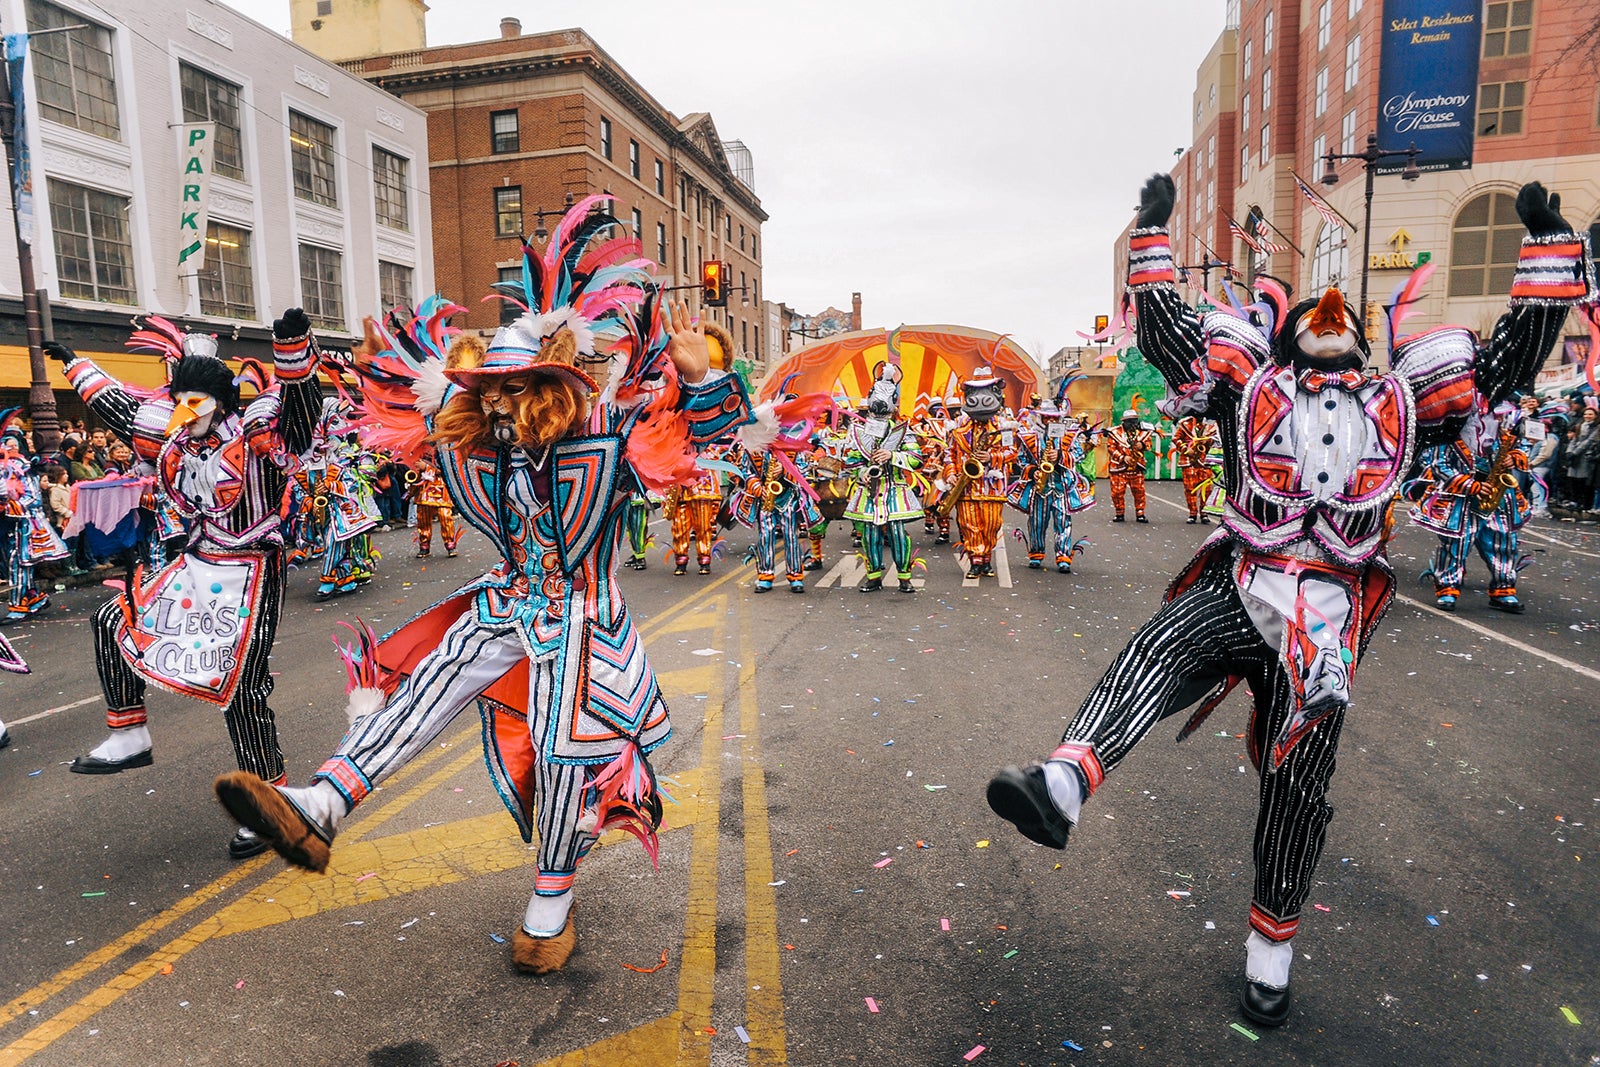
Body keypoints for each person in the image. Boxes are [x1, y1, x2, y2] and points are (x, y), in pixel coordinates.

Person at [985, 175, 1590, 1028]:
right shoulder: (1251, 389)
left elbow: (1502, 366)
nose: (1334, 309)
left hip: (1323, 636)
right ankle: (1062, 784)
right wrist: (1152, 238)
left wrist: (1547, 244)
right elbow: (1172, 344)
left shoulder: (1403, 406)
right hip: (1243, 581)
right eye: (1318, 305)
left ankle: (1270, 955)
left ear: (1362, 347)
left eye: (1343, 310)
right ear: (1291, 332)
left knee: (1297, 793)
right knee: (1161, 646)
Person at [214, 201, 756, 976]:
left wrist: (702, 377)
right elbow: (409, 409)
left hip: (585, 621)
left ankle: (551, 902)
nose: (498, 403)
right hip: (506, 601)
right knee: (421, 688)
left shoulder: (605, 441)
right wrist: (372, 371)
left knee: (568, 755)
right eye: (487, 391)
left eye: (513, 388)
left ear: (551, 386)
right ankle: (322, 805)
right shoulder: (479, 452)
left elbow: (696, 438)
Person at [47, 310, 324, 860]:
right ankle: (130, 733)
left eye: (196, 401)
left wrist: (292, 350)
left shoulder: (256, 432)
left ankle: (269, 803)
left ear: (221, 401)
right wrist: (76, 363)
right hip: (195, 565)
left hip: (251, 568)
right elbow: (121, 408)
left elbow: (301, 411)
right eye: (179, 399)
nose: (184, 411)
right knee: (111, 620)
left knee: (241, 690)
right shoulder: (170, 435)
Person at [1408, 399, 1531, 612]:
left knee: (1503, 540)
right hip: (1460, 496)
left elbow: (1524, 445)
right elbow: (1438, 464)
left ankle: (1504, 588)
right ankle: (1448, 587)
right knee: (1456, 542)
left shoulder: (1506, 420)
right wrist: (1469, 485)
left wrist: (1516, 457)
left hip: (1497, 490)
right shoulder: (1448, 425)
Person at [842, 363, 924, 591]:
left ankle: (905, 577)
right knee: (870, 535)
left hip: (895, 488)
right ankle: (874, 576)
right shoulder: (861, 431)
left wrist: (893, 455)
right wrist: (861, 473)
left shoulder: (902, 431)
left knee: (898, 533)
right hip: (869, 491)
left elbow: (917, 459)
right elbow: (851, 460)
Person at [939, 370, 1015, 577]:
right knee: (968, 524)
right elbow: (949, 453)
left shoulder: (1004, 427)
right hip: (966, 486)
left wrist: (991, 458)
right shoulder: (957, 427)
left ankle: (987, 557)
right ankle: (976, 560)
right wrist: (951, 474)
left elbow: (1012, 453)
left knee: (992, 525)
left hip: (992, 486)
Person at [1007, 398, 1095, 572]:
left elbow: (1079, 455)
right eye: (1047, 418)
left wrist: (1061, 455)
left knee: (1063, 522)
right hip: (1039, 488)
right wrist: (1033, 472)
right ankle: (1036, 554)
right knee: (1037, 522)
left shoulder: (1069, 436)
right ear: (1041, 418)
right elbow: (1021, 459)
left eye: (1053, 418)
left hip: (1061, 487)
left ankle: (1063, 556)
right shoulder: (1030, 436)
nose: (1050, 421)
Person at [0, 414, 70, 622]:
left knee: (18, 563)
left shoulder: (23, 468)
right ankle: (34, 599)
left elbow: (32, 498)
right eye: (5, 444)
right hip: (10, 524)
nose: (9, 448)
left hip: (24, 524)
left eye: (13, 444)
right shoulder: (5, 468)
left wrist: (7, 506)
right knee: (17, 563)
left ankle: (19, 606)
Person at [1104, 410, 1158, 522]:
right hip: (1119, 467)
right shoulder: (1115, 432)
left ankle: (1140, 513)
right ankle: (1119, 513)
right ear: (1124, 422)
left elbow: (1149, 445)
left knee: (1139, 491)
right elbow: (1111, 448)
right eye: (1130, 422)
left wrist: (1142, 444)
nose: (1133, 424)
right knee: (1117, 492)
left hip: (1137, 467)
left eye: (1135, 421)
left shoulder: (1142, 432)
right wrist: (1123, 458)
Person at [408, 449, 459, 558]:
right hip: (424, 490)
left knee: (445, 516)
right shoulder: (418, 448)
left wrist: (427, 467)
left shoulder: (444, 449)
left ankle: (450, 544)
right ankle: (424, 545)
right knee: (423, 519)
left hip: (440, 489)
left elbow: (448, 467)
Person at [1172, 414, 1219, 523]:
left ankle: (1204, 513)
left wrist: (1207, 442)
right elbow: (1176, 438)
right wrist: (1185, 449)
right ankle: (1192, 513)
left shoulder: (1212, 424)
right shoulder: (1185, 424)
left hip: (1205, 461)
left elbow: (1217, 441)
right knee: (1190, 488)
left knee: (1206, 489)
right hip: (1189, 461)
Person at [1563, 406, 1599, 513]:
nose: (1587, 416)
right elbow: (1574, 439)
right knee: (1573, 480)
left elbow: (1589, 441)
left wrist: (1575, 452)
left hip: (1585, 456)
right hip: (1575, 456)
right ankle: (1575, 501)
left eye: (1590, 414)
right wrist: (1569, 451)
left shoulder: (1597, 427)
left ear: (1596, 416)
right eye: (1586, 414)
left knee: (1584, 481)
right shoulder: (1580, 425)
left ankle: (1584, 503)